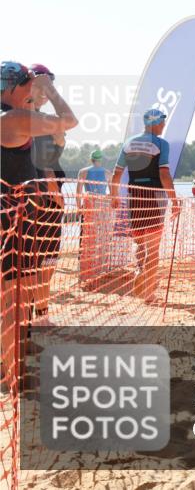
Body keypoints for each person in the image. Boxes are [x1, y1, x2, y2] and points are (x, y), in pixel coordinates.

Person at [1, 61, 77, 390]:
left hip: (12, 214)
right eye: (29, 84)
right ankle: (12, 375)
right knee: (11, 296)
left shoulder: (11, 115)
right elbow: (69, 121)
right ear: (15, 86)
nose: (33, 89)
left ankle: (11, 366)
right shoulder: (13, 118)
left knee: (13, 293)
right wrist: (49, 89)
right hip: (10, 217)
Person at [110, 108, 180, 302]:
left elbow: (116, 174)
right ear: (154, 123)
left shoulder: (129, 143)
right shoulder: (160, 144)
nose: (164, 125)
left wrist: (114, 196)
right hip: (154, 197)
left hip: (133, 196)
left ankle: (139, 269)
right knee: (153, 247)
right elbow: (164, 175)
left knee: (139, 241)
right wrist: (174, 200)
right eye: (162, 122)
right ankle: (149, 292)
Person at [26, 64, 69, 321]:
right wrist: (58, 198)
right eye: (41, 86)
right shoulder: (35, 122)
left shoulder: (27, 118)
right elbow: (47, 168)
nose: (46, 91)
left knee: (32, 264)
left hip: (31, 201)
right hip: (45, 204)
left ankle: (35, 315)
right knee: (43, 263)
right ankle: (39, 316)